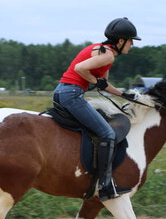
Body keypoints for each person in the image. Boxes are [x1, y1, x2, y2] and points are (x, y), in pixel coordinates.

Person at [53, 17, 140, 201]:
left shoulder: (102, 51)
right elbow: (79, 68)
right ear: (121, 40)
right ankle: (105, 186)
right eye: (131, 40)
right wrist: (94, 81)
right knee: (107, 134)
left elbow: (104, 85)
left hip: (63, 92)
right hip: (72, 95)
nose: (132, 45)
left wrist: (122, 94)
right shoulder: (107, 55)